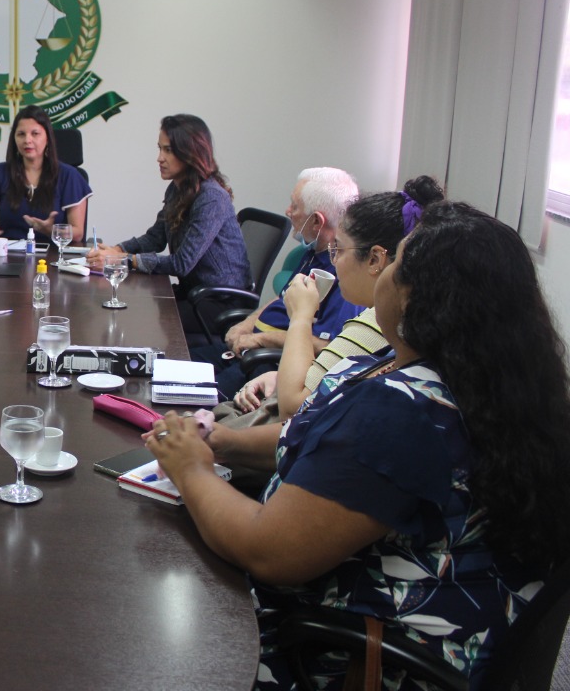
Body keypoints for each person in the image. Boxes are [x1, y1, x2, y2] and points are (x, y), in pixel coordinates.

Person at [147, 201, 570, 691]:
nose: (385, 270)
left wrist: (190, 469)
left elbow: (269, 550)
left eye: (397, 264)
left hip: (361, 675)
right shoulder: (481, 379)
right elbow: (318, 439)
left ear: (421, 296)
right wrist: (224, 446)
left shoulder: (404, 410)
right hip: (423, 645)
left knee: (158, 644)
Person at [210, 176, 445, 470]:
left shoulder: (378, 322)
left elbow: (294, 408)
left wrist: (301, 318)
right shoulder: (377, 316)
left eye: (339, 249)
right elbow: (326, 383)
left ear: (375, 260)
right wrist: (278, 377)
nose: (333, 260)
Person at [192, 167, 362, 398]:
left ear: (316, 222)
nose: (288, 211)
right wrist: (247, 323)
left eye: (295, 206)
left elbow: (328, 348)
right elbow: (281, 299)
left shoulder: (342, 275)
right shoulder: (313, 253)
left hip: (267, 364)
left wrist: (261, 339)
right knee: (179, 363)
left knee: (190, 397)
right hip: (248, 348)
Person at [85, 114, 251, 335]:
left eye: (168, 150)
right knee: (132, 308)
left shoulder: (211, 198)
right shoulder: (177, 188)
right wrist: (118, 249)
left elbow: (182, 263)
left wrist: (124, 260)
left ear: (190, 153)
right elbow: (156, 237)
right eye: (159, 149)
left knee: (139, 317)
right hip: (194, 294)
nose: (159, 158)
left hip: (220, 304)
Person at [0, 105, 92, 244]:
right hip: (6, 256)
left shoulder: (69, 176)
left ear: (48, 138)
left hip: (53, 257)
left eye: (35, 133)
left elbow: (78, 233)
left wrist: (50, 230)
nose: (27, 140)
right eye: (21, 134)